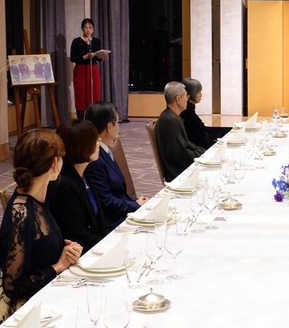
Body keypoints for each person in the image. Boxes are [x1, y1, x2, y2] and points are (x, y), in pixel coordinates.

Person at [0, 129, 82, 303]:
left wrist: (65, 252)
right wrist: (58, 266)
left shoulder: (39, 198)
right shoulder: (21, 213)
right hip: (24, 306)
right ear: (54, 163)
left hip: (45, 292)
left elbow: (38, 251)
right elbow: (12, 286)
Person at [85, 101, 149, 230]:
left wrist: (134, 202)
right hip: (113, 221)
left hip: (123, 208)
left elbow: (117, 192)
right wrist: (135, 205)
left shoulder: (105, 150)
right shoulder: (95, 158)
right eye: (118, 123)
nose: (119, 127)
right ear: (109, 126)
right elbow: (106, 202)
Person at [50, 119, 108, 252]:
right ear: (82, 146)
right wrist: (108, 246)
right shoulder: (65, 185)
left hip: (96, 243)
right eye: (95, 140)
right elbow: (77, 233)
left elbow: (98, 218)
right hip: (80, 252)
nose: (99, 143)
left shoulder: (83, 173)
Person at [155, 81, 206, 182]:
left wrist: (202, 151)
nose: (187, 99)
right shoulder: (171, 120)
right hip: (178, 174)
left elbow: (186, 144)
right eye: (186, 96)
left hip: (179, 168)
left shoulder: (171, 117)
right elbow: (182, 155)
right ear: (178, 99)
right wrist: (203, 155)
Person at [70, 18, 105, 120]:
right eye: (86, 27)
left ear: (93, 29)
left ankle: (94, 119)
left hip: (93, 69)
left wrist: (102, 56)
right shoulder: (76, 41)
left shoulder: (96, 41)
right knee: (81, 94)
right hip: (80, 70)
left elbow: (98, 58)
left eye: (90, 28)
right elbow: (72, 58)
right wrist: (84, 57)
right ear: (82, 28)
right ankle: (81, 119)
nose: (88, 30)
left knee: (94, 93)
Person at [180, 78, 214, 149]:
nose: (201, 95)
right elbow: (197, 139)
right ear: (190, 94)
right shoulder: (188, 115)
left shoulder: (189, 111)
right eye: (199, 92)